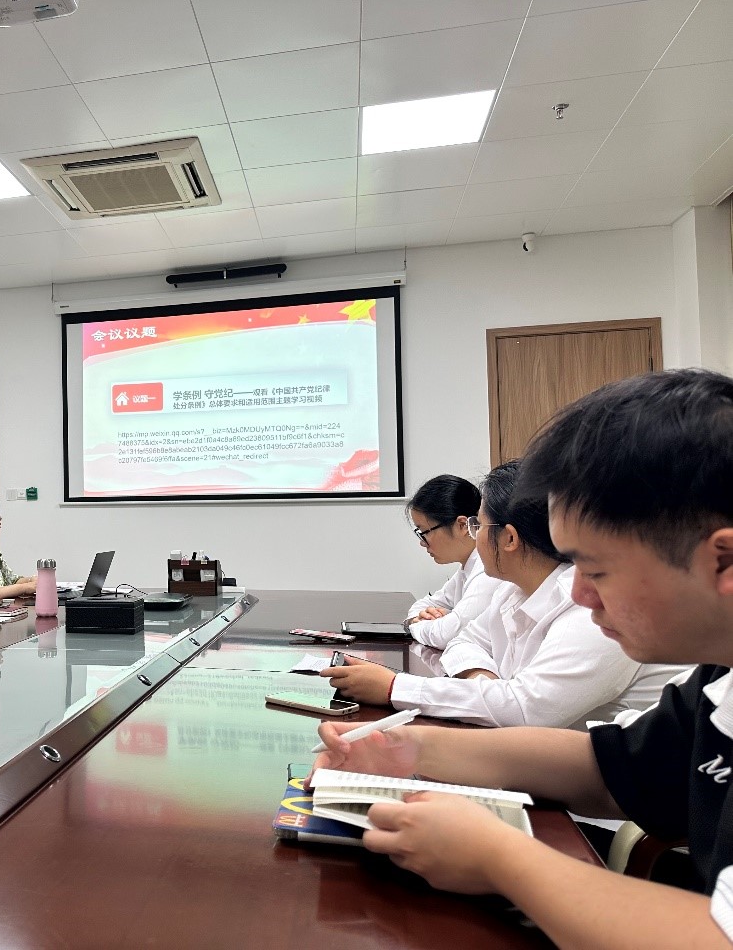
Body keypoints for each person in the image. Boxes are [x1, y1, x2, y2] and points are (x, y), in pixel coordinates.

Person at [311, 368, 733, 947]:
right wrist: (408, 749)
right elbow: (606, 768)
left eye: (596, 569)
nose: (579, 593)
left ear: (722, 562)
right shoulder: (718, 679)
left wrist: (498, 857)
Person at [322, 460, 687, 728]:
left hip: (601, 799)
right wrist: (486, 683)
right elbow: (463, 641)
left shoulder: (591, 609)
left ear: (509, 538)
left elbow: (526, 712)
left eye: (479, 525)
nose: (474, 535)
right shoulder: (512, 589)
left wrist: (394, 687)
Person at [404, 474, 505, 648]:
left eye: (424, 532)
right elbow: (425, 604)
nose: (422, 542)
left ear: (462, 525)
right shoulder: (468, 567)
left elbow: (447, 635)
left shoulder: (488, 570)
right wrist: (416, 618)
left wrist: (415, 625)